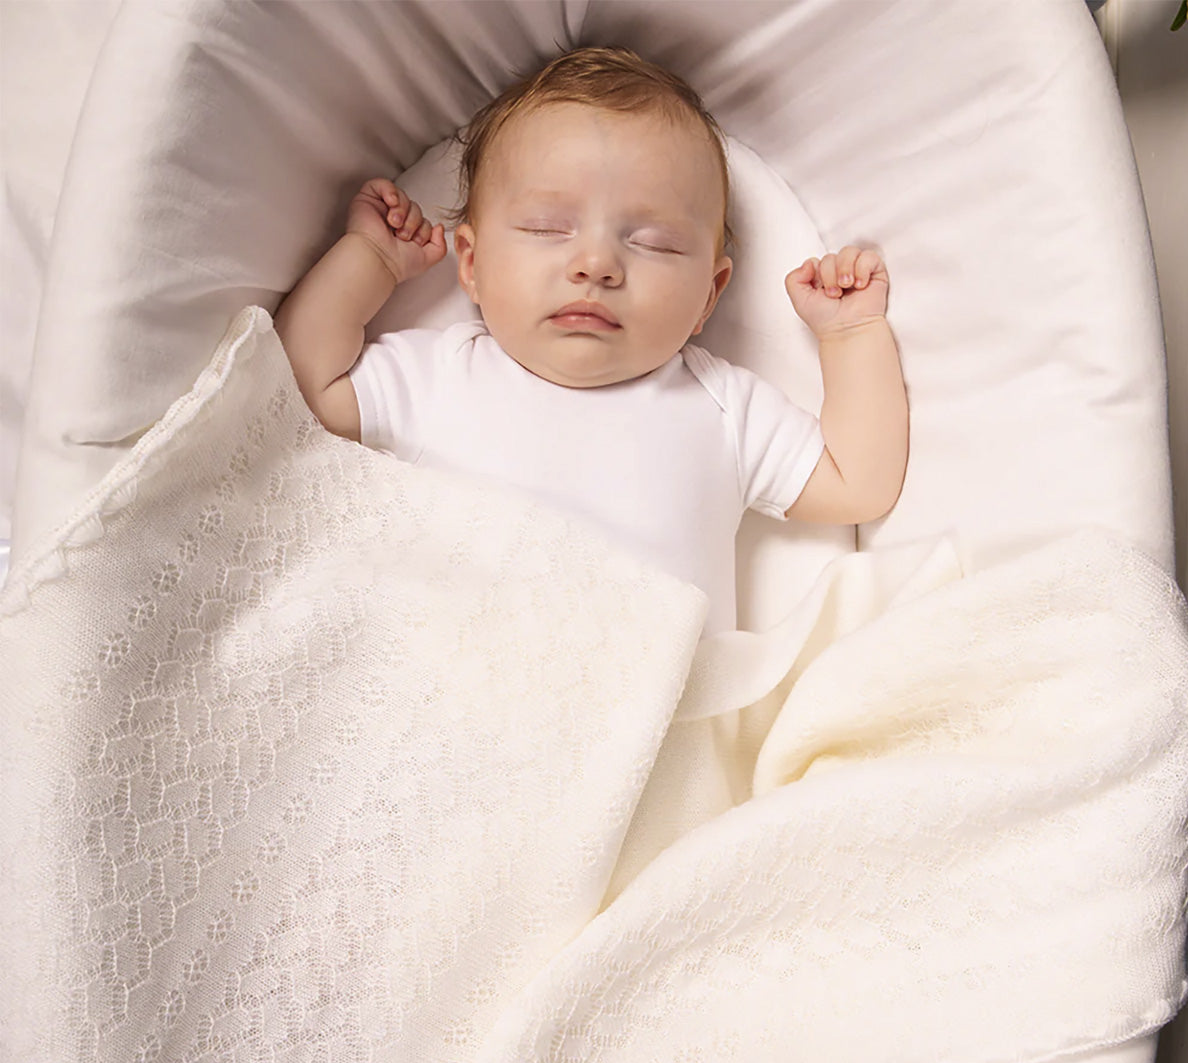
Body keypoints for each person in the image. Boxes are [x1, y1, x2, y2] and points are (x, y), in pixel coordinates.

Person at [274, 46, 908, 634]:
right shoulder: (437, 375)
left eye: (652, 242)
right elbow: (296, 388)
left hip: (639, 719)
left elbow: (859, 483)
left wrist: (851, 336)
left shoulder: (724, 410)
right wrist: (371, 261)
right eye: (549, 229)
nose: (596, 264)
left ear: (708, 296)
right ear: (471, 263)